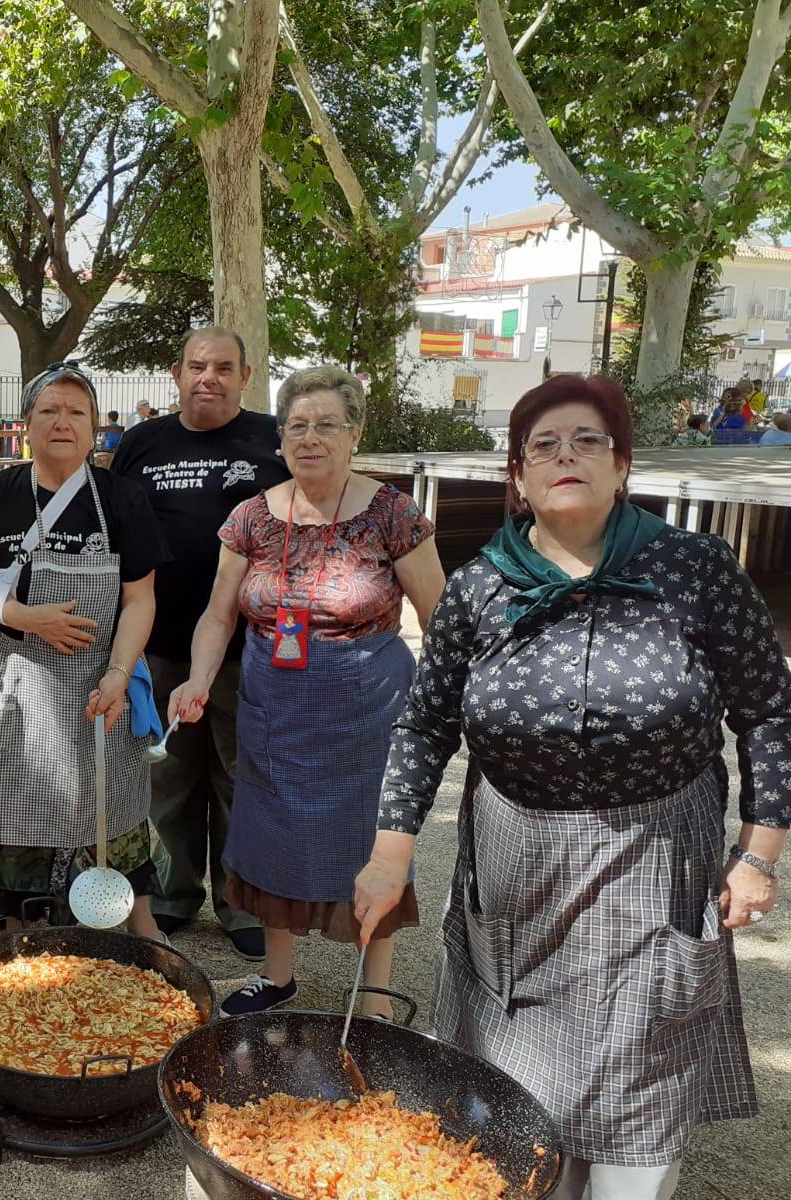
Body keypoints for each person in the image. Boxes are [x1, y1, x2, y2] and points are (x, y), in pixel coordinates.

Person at [356, 375, 788, 1200]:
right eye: (543, 445)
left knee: (640, 1071)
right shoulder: (480, 584)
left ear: (622, 464)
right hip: (515, 867)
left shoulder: (694, 568)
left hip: (656, 860)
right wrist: (389, 854)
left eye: (588, 440)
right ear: (516, 476)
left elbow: (771, 710)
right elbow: (423, 726)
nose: (565, 456)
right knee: (522, 1099)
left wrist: (758, 854)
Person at [169, 366, 443, 1017]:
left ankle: (373, 990)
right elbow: (218, 615)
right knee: (272, 838)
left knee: (369, 845)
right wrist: (199, 677)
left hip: (368, 721)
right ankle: (278, 976)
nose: (310, 437)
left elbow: (442, 621)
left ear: (355, 433)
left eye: (327, 425)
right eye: (297, 426)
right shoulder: (252, 519)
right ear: (280, 438)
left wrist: (442, 713)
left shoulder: (393, 514)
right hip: (275, 715)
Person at [0, 363, 167, 935]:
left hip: (102, 686)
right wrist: (25, 617)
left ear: (95, 427)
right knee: (14, 815)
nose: (62, 422)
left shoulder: (123, 498)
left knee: (113, 811)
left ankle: (140, 934)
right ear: (26, 424)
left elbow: (140, 600)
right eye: (48, 409)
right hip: (20, 683)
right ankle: (20, 944)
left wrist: (120, 675)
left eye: (76, 411)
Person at [110, 327, 289, 958]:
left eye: (222, 367)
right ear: (177, 373)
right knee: (170, 773)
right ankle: (172, 895)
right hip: (160, 642)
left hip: (256, 648)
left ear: (245, 375)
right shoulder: (141, 443)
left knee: (243, 777)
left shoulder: (276, 438)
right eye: (195, 365)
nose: (207, 377)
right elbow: (115, 532)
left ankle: (241, 904)